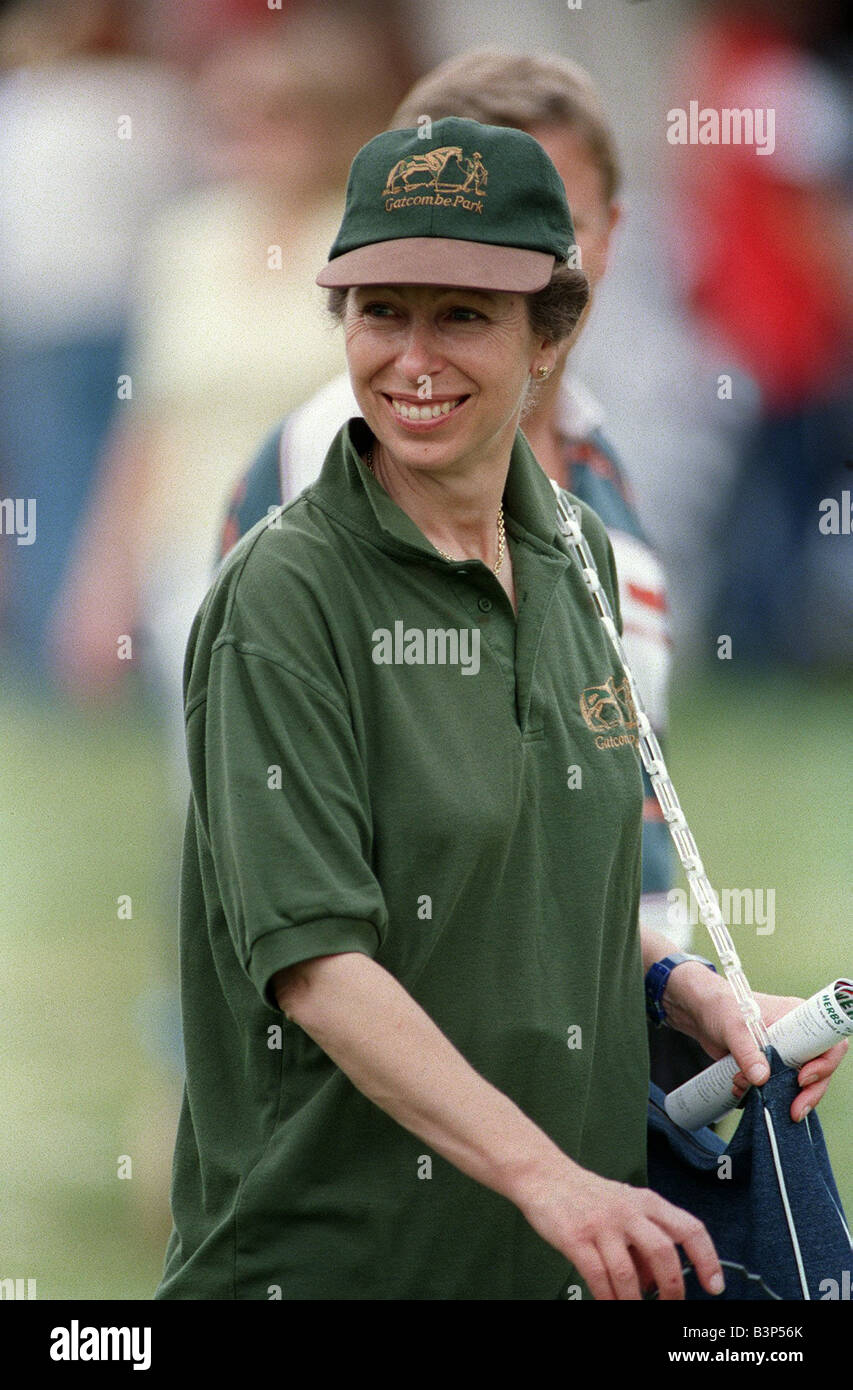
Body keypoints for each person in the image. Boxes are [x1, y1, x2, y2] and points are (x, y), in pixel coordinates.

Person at [155, 118, 845, 1301]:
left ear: (552, 333)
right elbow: (322, 964)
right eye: (381, 310)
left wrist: (685, 993)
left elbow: (537, 896)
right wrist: (549, 1177)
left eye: (462, 314)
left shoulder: (579, 557)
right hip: (332, 1268)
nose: (412, 358)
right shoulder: (284, 596)